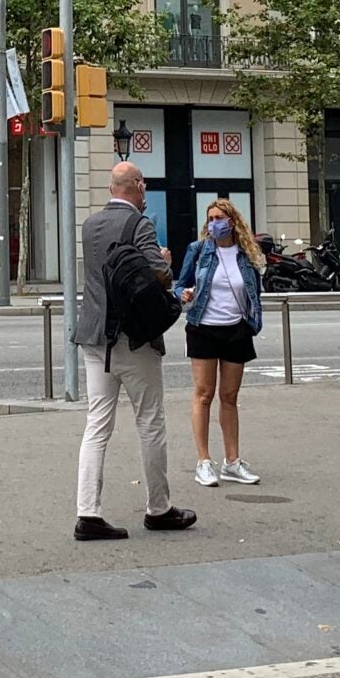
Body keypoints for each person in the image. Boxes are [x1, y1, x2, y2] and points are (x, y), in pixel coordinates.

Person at [72, 161, 194, 542]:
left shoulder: (90, 225)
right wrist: (166, 264)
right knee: (150, 422)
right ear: (138, 187)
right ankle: (159, 508)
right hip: (134, 339)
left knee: (97, 425)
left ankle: (88, 512)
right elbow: (158, 275)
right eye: (144, 187)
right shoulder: (140, 225)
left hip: (95, 337)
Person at [176, 198, 265, 488]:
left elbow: (255, 292)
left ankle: (232, 461)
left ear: (233, 221)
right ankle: (203, 461)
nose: (215, 222)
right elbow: (180, 283)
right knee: (204, 394)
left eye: (220, 217)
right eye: (211, 217)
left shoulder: (246, 254)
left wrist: (253, 321)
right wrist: (184, 294)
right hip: (203, 327)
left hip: (235, 329)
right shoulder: (199, 250)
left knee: (230, 397)